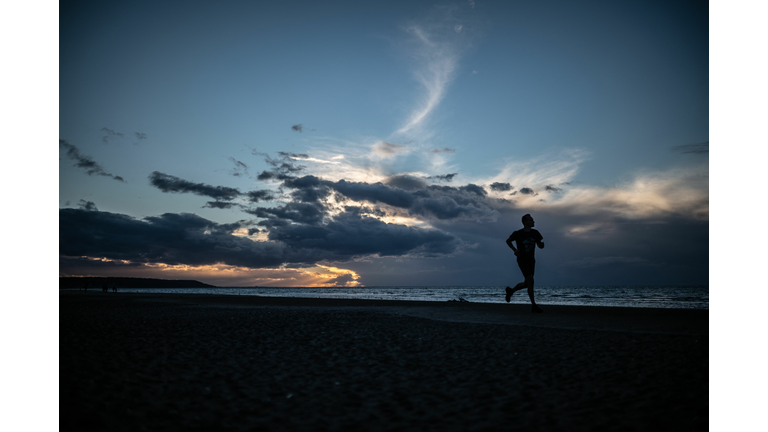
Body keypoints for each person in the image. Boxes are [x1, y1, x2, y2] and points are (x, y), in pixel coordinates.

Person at [505, 213, 545, 313]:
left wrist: (541, 245)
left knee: (527, 283)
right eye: (531, 220)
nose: (533, 221)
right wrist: (514, 250)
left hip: (532, 260)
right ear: (525, 222)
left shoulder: (535, 233)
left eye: (533, 220)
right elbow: (508, 241)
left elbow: (540, 244)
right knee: (531, 280)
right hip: (522, 260)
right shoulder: (518, 233)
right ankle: (534, 305)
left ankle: (511, 291)